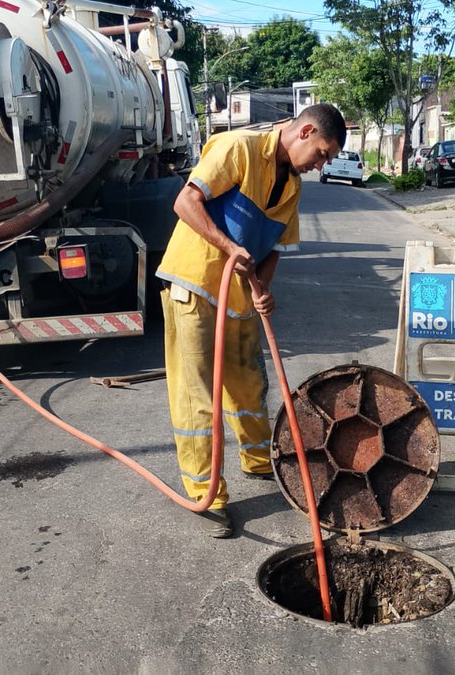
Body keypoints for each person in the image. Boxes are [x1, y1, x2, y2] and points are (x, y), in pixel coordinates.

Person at [155, 103, 346, 538]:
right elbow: (186, 202)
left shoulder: (292, 185)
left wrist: (262, 289)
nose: (321, 165)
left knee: (248, 384)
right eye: (321, 153)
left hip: (239, 294)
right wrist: (228, 246)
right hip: (194, 283)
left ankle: (260, 460)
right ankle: (206, 495)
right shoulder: (238, 147)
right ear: (305, 132)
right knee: (198, 396)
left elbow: (275, 246)